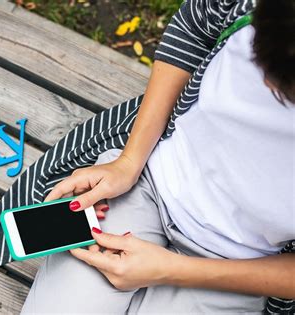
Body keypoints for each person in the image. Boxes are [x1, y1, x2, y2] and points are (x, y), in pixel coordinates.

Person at [21, 0, 295, 313]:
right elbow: (193, 28)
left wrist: (170, 269)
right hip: (146, 186)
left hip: (238, 267)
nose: (264, 80)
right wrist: (129, 162)